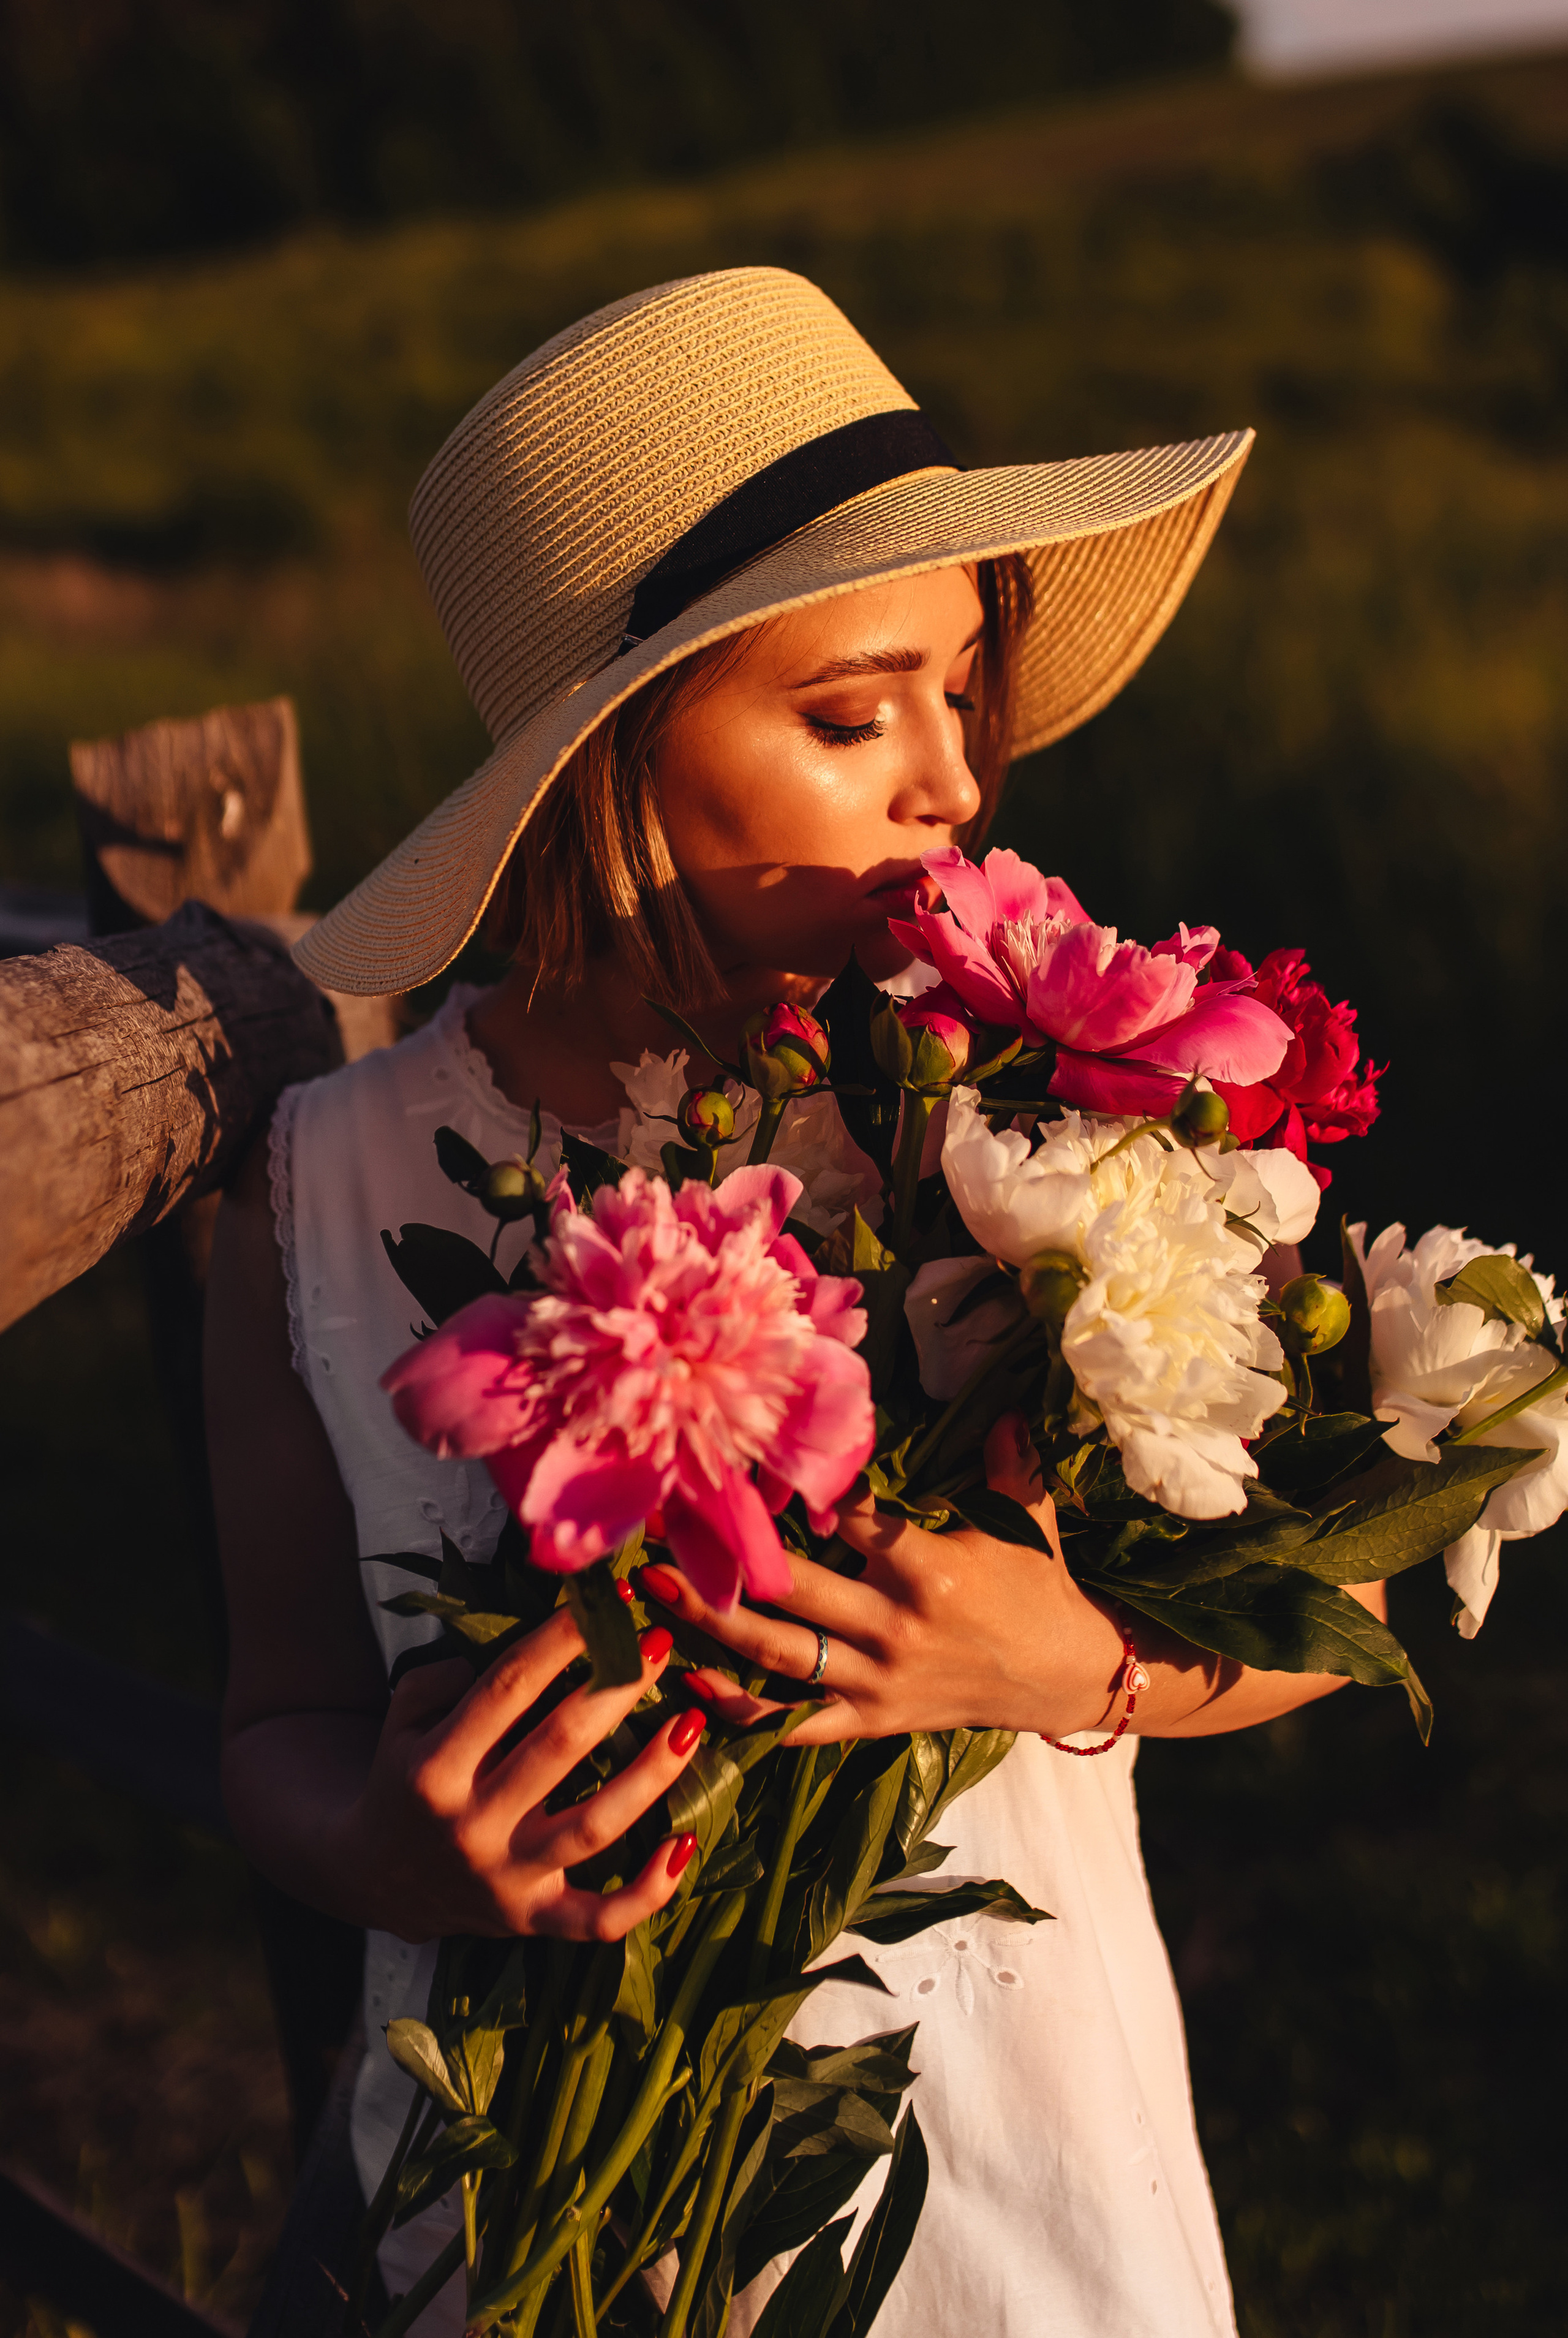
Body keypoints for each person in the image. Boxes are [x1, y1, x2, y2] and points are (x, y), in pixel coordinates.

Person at [206, 267, 1385, 2336]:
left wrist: (1079, 1656)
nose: (953, 782)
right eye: (852, 715)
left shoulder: (1043, 1119)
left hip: (1000, 2192)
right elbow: (280, 1713)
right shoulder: (323, 1187)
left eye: (963, 694)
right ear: (604, 764)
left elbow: (1341, 1597)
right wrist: (385, 1852)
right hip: (533, 2234)